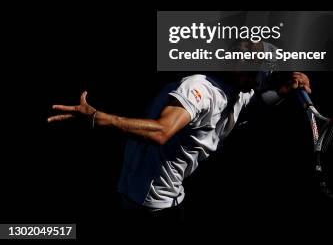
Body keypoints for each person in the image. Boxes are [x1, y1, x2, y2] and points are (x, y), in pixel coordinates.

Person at [48, 69, 311, 224]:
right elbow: (252, 106)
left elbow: (163, 131)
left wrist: (98, 117)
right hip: (148, 199)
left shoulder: (201, 88)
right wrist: (284, 90)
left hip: (151, 211)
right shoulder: (239, 93)